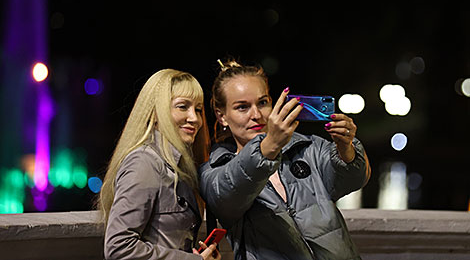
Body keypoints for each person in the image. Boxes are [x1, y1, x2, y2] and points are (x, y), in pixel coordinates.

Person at [199, 60, 371, 260]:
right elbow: (227, 196)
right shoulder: (214, 170)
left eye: (262, 103)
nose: (256, 115)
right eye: (242, 107)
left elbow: (354, 180)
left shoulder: (307, 148)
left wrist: (346, 147)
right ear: (222, 117)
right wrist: (270, 144)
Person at [98, 69, 221, 260]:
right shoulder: (144, 162)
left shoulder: (177, 166)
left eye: (198, 109)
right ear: (155, 111)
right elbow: (119, 248)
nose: (195, 119)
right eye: (182, 107)